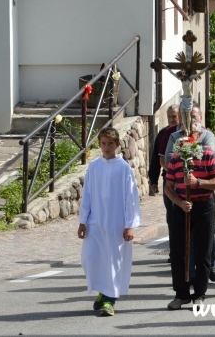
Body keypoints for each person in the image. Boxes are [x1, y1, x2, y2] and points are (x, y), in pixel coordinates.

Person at [78, 127, 142, 317]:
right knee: (91, 259)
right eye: (104, 143)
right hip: (95, 222)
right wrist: (83, 221)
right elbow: (87, 194)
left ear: (117, 145)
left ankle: (109, 300)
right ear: (99, 144)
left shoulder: (123, 168)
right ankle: (102, 292)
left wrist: (129, 224)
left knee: (113, 261)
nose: (107, 147)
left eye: (110, 144)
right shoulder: (94, 166)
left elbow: (130, 197)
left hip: (116, 222)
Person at [164, 121, 215, 309]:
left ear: (198, 136)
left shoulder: (208, 155)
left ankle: (200, 293)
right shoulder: (175, 158)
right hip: (183, 208)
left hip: (204, 206)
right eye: (183, 133)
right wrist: (180, 202)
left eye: (191, 133)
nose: (186, 136)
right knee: (178, 251)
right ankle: (181, 294)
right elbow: (168, 188)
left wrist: (198, 182)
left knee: (203, 251)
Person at [149, 105, 179, 196]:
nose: (171, 119)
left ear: (180, 116)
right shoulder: (163, 133)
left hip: (183, 179)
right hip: (168, 178)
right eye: (168, 116)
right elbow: (156, 158)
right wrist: (154, 180)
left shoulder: (184, 132)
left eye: (174, 116)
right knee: (170, 209)